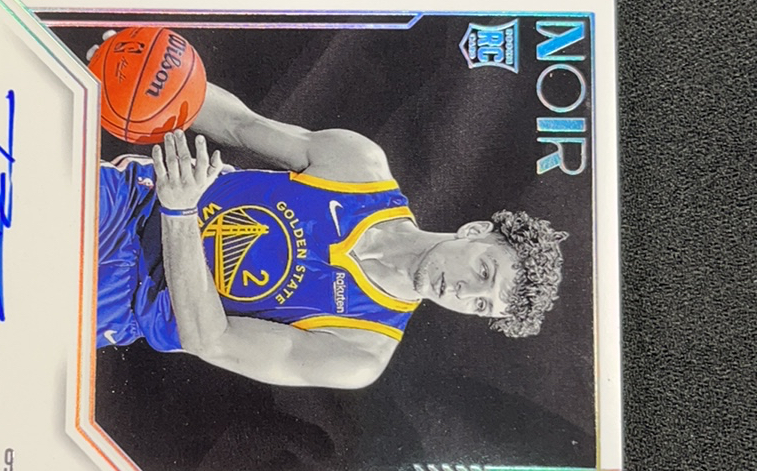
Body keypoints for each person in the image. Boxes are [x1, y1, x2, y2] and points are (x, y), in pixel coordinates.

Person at [97, 81, 567, 389]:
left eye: (481, 305)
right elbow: (240, 124)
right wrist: (145, 80)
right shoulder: (359, 169)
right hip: (130, 202)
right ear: (476, 231)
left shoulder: (359, 350)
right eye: (484, 271)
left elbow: (210, 340)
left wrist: (181, 212)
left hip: (122, 299)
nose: (464, 293)